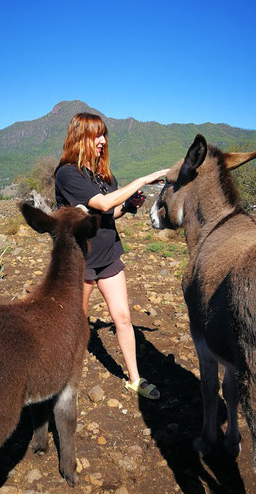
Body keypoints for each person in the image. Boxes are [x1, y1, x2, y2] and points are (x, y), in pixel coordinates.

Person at [54, 113, 169, 399]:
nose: (103, 141)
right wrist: (144, 179)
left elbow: (109, 210)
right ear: (80, 138)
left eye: (104, 134)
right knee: (76, 322)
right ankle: (63, 380)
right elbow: (104, 202)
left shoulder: (104, 175)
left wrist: (129, 205)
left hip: (108, 253)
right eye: (97, 135)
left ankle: (134, 378)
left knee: (123, 317)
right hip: (80, 259)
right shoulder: (67, 174)